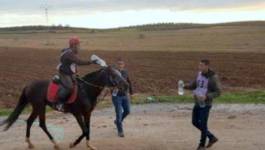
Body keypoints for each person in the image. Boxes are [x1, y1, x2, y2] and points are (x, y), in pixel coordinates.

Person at [184, 59, 221, 150]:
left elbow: (218, 92)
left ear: (207, 66)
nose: (199, 67)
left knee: (203, 124)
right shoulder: (199, 74)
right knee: (194, 122)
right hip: (197, 102)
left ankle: (201, 145)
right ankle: (211, 137)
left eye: (201, 65)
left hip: (206, 104)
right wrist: (184, 86)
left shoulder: (213, 77)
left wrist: (207, 96)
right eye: (199, 65)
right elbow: (194, 85)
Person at [56, 36, 95, 111]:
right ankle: (59, 102)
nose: (79, 47)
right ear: (74, 45)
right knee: (70, 87)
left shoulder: (72, 53)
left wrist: (75, 73)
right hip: (64, 74)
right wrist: (91, 62)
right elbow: (79, 62)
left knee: (80, 84)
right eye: (78, 45)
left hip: (70, 73)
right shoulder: (69, 54)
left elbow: (73, 65)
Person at [112, 58, 133, 137]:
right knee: (118, 114)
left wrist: (131, 92)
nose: (120, 65)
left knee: (127, 111)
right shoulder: (113, 73)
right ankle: (120, 131)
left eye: (121, 64)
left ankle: (117, 121)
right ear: (116, 65)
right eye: (118, 64)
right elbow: (111, 83)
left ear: (124, 65)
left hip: (124, 95)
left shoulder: (125, 72)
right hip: (116, 96)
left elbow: (129, 82)